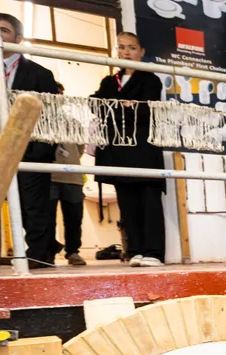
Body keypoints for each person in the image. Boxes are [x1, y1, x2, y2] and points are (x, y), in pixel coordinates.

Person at [0, 13, 60, 269]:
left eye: (3, 30)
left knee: (33, 206)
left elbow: (50, 118)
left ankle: (38, 255)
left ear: (18, 38)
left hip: (32, 148)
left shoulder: (40, 74)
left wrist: (42, 151)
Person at [91, 31, 166, 267]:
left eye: (132, 48)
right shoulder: (108, 81)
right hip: (119, 151)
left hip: (144, 149)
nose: (126, 52)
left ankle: (154, 252)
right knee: (127, 202)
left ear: (141, 52)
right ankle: (134, 250)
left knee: (149, 201)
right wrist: (126, 107)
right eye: (122, 47)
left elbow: (148, 111)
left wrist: (121, 107)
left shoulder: (150, 80)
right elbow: (97, 105)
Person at [51, 83, 86, 266]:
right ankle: (46, 251)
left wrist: (70, 161)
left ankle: (73, 252)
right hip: (48, 176)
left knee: (74, 218)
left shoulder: (74, 123)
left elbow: (80, 148)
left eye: (61, 94)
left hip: (72, 176)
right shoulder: (39, 120)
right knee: (45, 217)